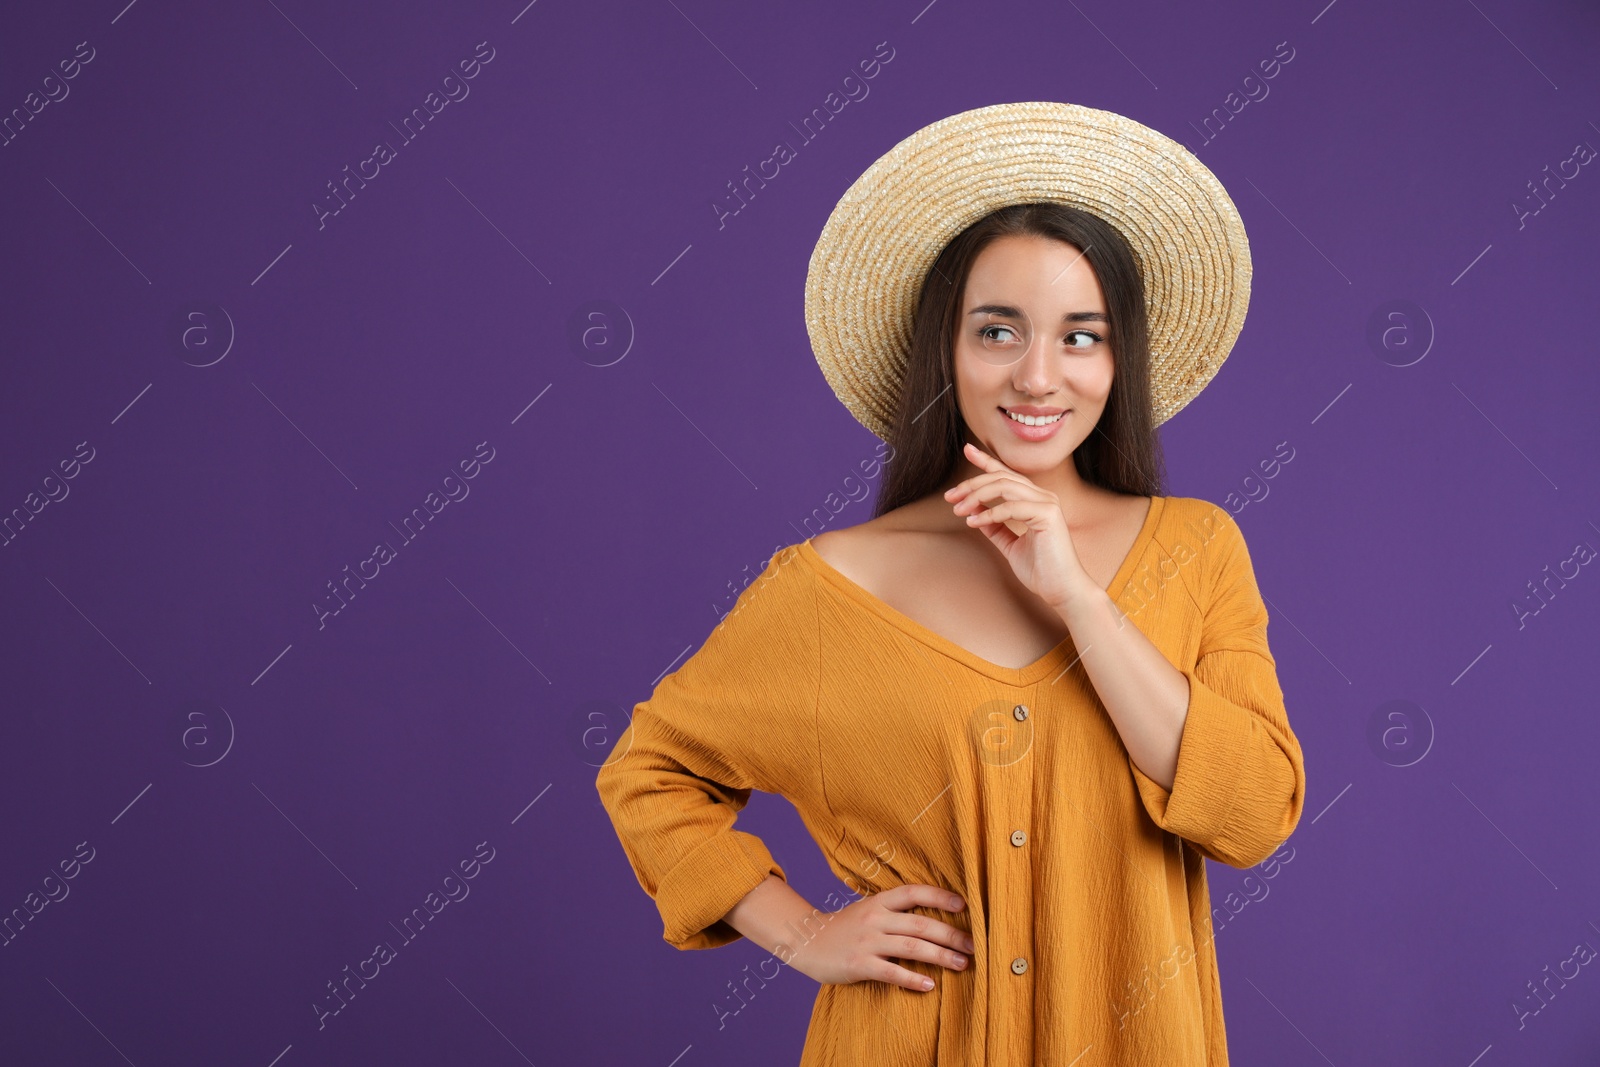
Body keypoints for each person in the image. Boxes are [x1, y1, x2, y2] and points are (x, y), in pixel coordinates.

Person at [595, 101, 1306, 1066]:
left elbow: (1255, 812)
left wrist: (1078, 598)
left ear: (1118, 358)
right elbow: (649, 770)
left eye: (1082, 336)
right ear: (949, 347)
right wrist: (803, 934)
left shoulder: (1199, 547)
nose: (1038, 376)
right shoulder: (830, 584)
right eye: (998, 330)